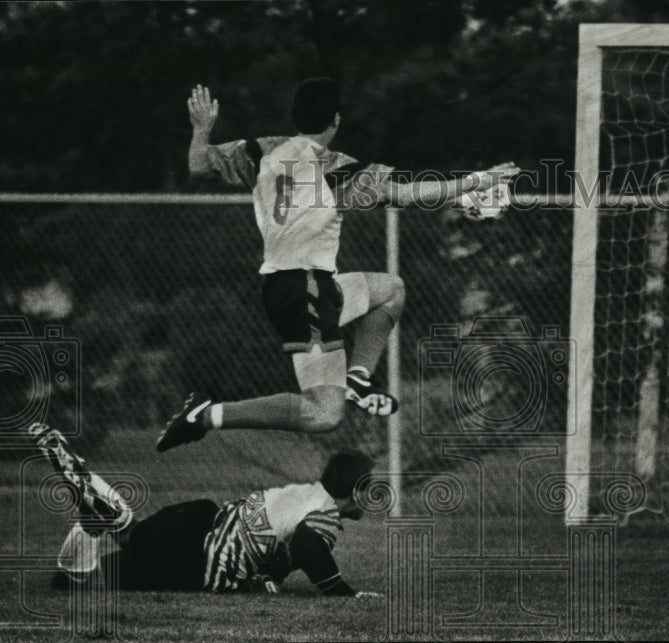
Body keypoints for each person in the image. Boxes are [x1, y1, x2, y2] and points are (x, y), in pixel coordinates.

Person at [157, 79, 518, 451]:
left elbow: (199, 166)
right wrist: (479, 180)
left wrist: (201, 129)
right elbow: (409, 194)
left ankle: (358, 379)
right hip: (306, 294)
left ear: (295, 117)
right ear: (336, 121)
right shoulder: (336, 170)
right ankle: (206, 415)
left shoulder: (261, 151)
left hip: (301, 286)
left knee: (390, 290)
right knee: (323, 415)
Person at [34, 422, 377, 596]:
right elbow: (305, 545)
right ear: (355, 489)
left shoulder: (306, 493)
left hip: (200, 520)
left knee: (106, 559)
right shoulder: (326, 512)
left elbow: (274, 540)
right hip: (197, 560)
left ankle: (96, 501)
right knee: (97, 569)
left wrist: (265, 579)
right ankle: (95, 516)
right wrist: (345, 593)